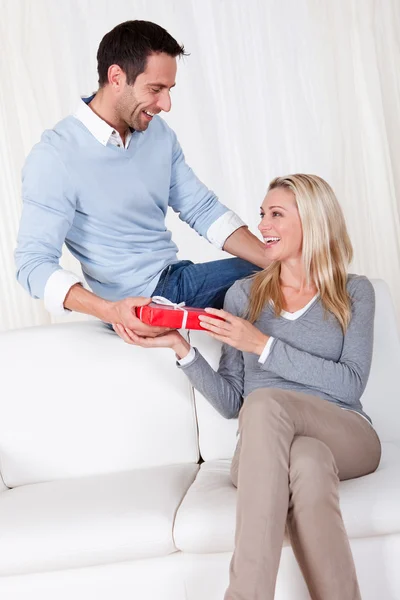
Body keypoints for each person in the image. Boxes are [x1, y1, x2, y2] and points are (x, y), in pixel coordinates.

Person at [123, 173, 382, 600]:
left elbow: (350, 385)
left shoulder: (354, 292)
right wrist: (180, 348)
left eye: (276, 214)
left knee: (266, 405)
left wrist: (262, 345)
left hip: (347, 433)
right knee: (308, 461)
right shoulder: (244, 296)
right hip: (267, 446)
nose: (262, 225)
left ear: (313, 222)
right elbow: (231, 403)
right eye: (262, 214)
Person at [15, 20, 265, 341]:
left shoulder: (158, 135)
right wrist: (110, 310)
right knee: (282, 278)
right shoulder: (56, 155)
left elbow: (202, 209)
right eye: (155, 89)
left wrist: (275, 257)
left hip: (176, 278)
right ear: (116, 77)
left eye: (169, 90)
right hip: (139, 302)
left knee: (287, 272)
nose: (166, 105)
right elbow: (32, 263)